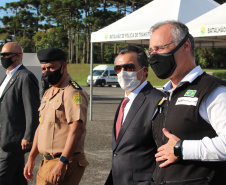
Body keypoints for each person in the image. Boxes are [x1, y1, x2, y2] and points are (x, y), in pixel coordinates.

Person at [148, 20, 226, 185]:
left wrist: (181, 148)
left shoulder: (212, 91)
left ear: (185, 46)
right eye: (151, 51)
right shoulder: (167, 94)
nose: (154, 56)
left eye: (161, 48)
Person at [23, 48, 89, 185]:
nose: (46, 72)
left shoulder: (72, 93)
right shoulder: (48, 93)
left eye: (51, 68)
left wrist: (62, 162)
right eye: (43, 69)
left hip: (64, 162)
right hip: (47, 162)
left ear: (64, 66)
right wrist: (31, 157)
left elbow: (77, 130)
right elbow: (41, 127)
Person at [105, 45, 165, 185]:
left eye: (129, 68)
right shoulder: (124, 102)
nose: (122, 73)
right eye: (118, 69)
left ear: (144, 70)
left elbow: (163, 150)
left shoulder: (157, 101)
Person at [0, 42, 40, 185]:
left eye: (6, 55)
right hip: (6, 136)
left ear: (18, 56)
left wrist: (28, 136)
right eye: (1, 54)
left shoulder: (25, 76)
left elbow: (32, 109)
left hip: (15, 140)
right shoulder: (8, 76)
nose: (3, 57)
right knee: (17, 178)